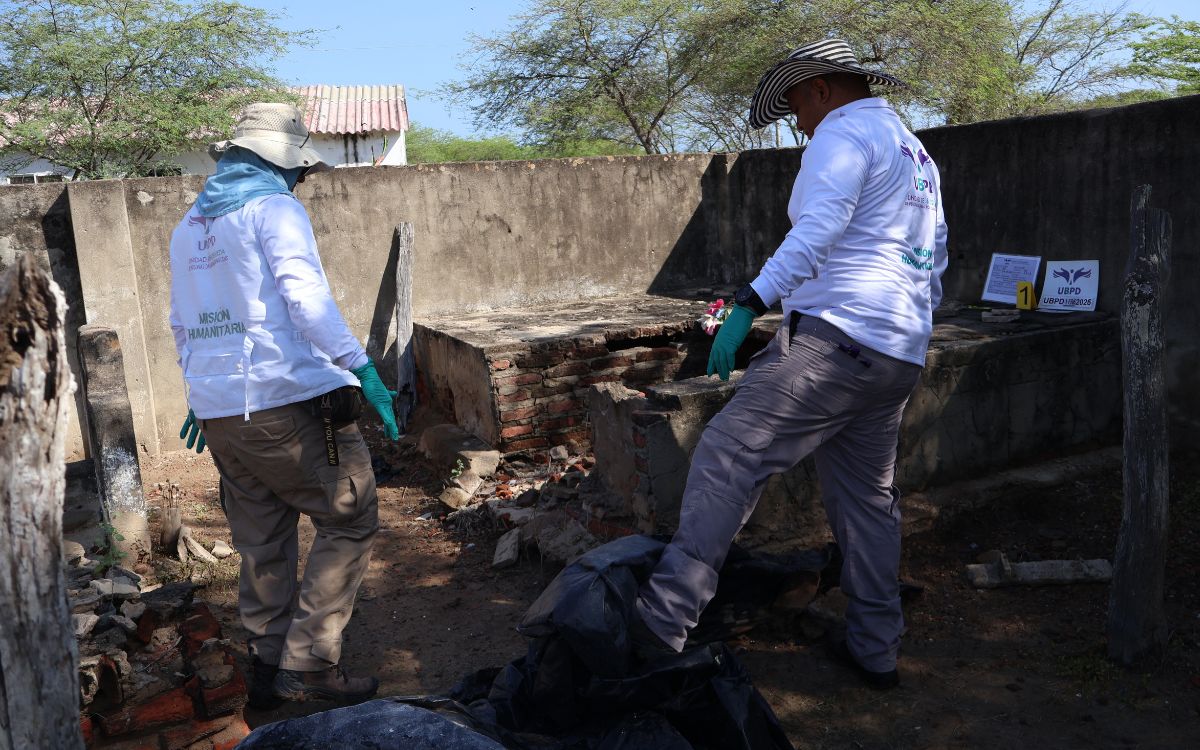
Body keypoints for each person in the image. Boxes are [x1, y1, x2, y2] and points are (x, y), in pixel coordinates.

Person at [632, 39, 948, 690]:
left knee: (727, 455)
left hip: (835, 342)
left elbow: (816, 229)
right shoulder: (913, 151)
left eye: (797, 107)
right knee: (867, 503)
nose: (797, 123)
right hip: (896, 350)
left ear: (822, 90)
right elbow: (930, 254)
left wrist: (751, 302)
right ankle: (875, 647)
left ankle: (656, 632)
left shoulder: (840, 135)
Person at [168, 103, 401, 707]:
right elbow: (307, 300)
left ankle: (267, 665)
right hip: (287, 402)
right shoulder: (275, 209)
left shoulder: (191, 224)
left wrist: (202, 393)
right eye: (297, 169)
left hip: (224, 413)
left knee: (261, 535)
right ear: (279, 163)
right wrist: (361, 367)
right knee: (348, 517)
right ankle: (309, 666)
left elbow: (184, 321)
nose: (301, 179)